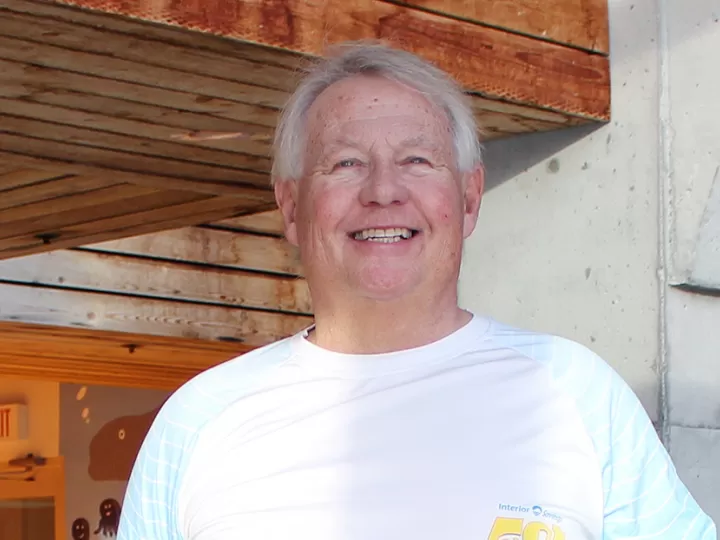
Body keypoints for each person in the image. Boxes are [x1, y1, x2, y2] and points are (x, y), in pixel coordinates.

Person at [117, 41, 716, 540]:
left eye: (418, 160)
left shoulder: (575, 393)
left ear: (470, 198)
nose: (383, 191)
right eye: (346, 163)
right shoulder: (198, 422)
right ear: (292, 205)